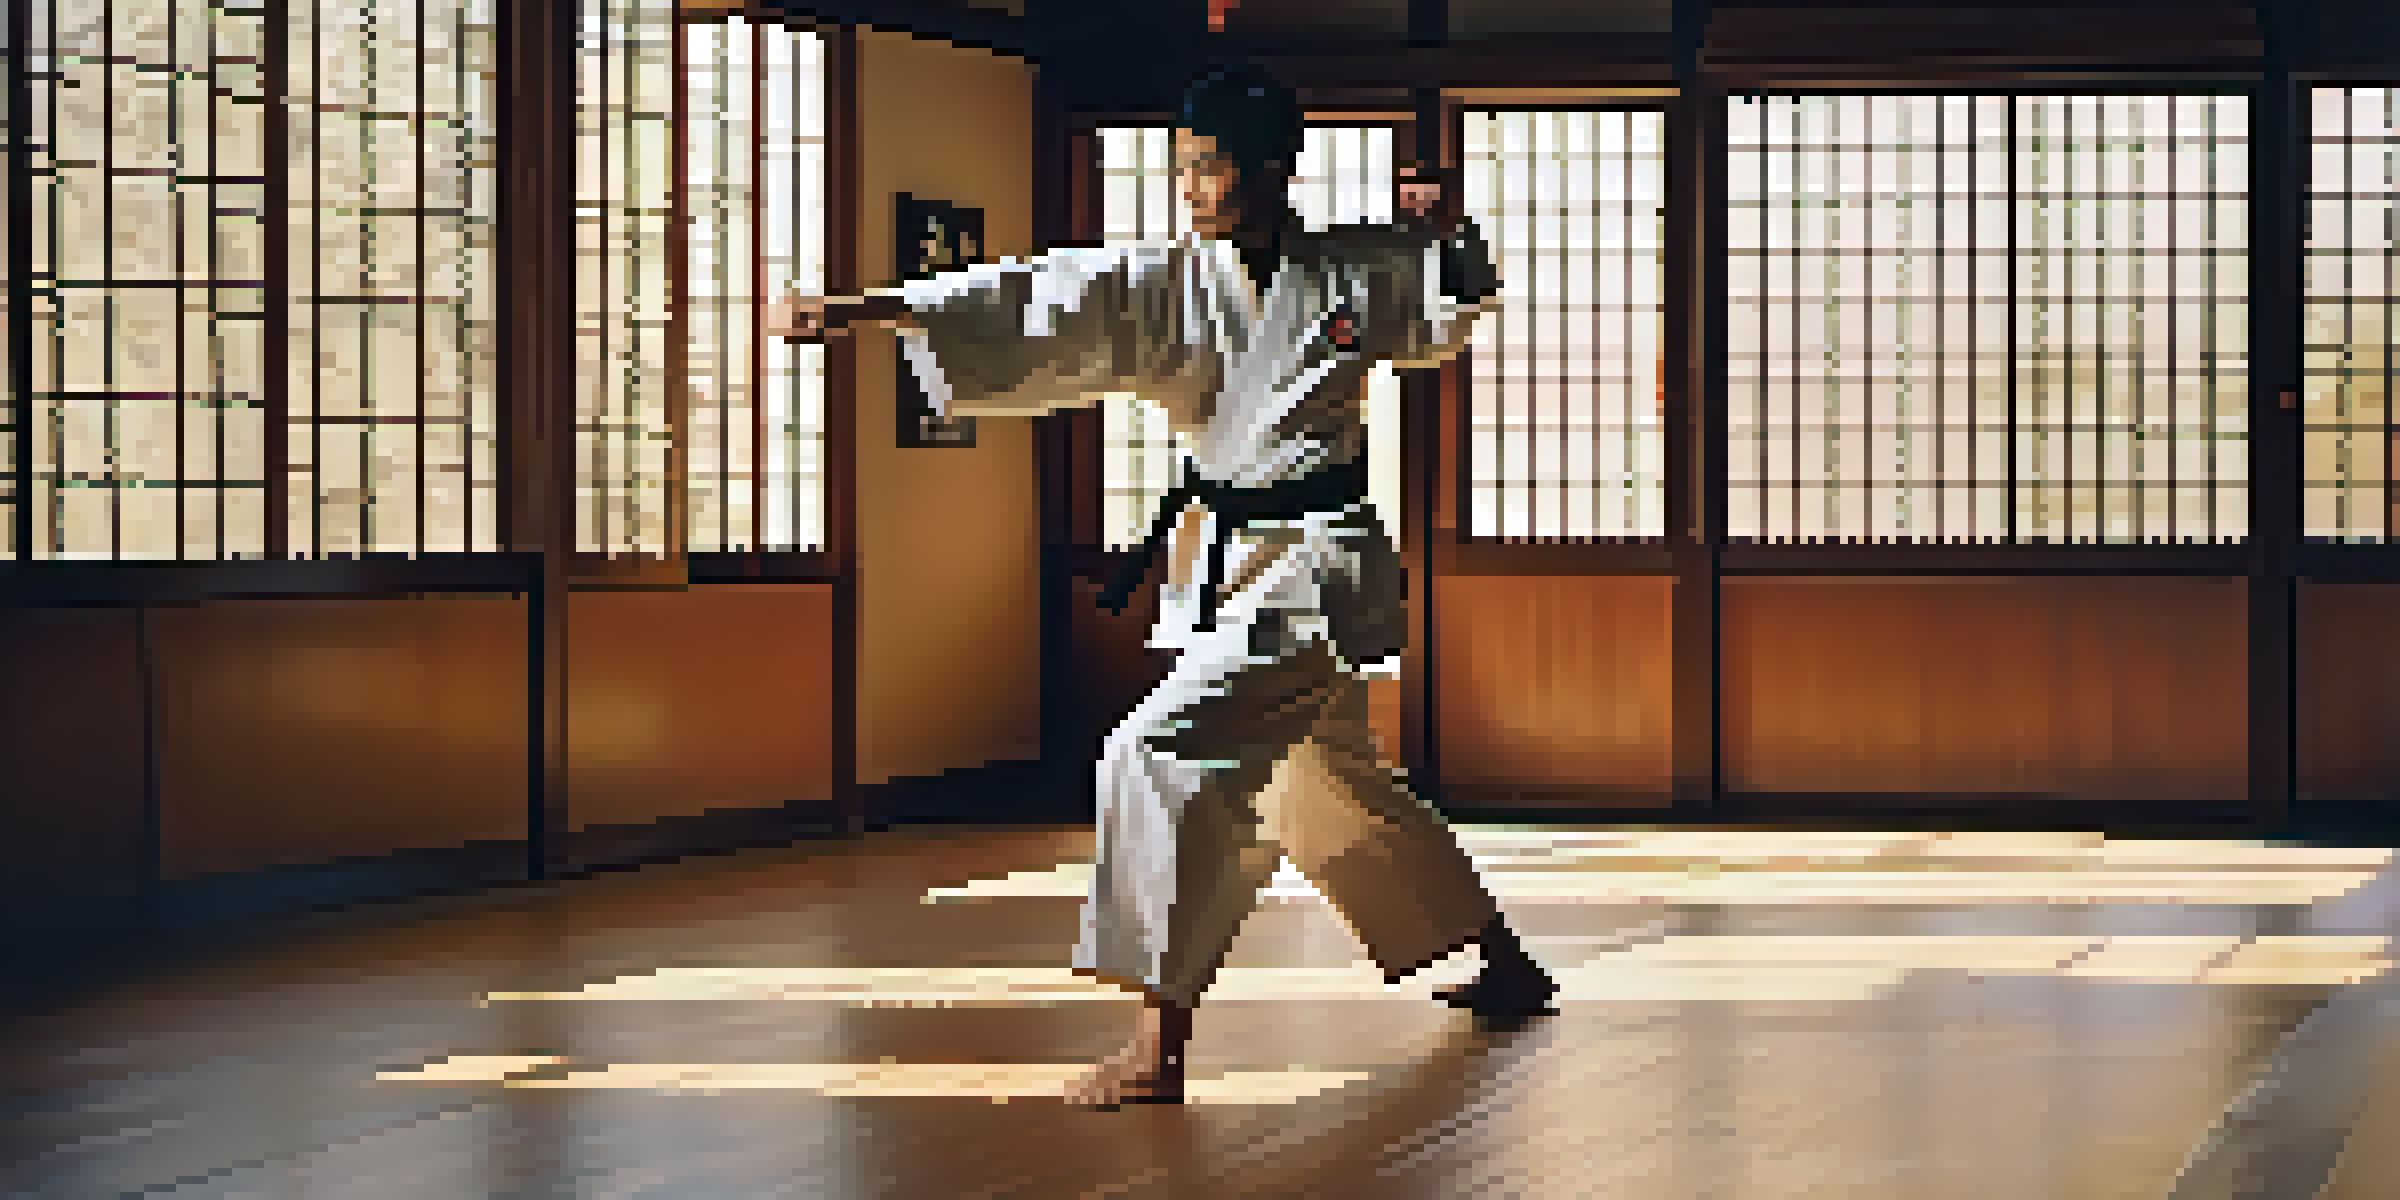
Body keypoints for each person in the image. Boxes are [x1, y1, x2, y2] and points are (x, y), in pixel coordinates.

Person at [768, 60, 1555, 1107]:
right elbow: (1034, 294)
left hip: (1315, 568)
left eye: (1211, 167)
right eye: (1181, 166)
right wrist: (864, 310)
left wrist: (1447, 231)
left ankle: (1157, 1042)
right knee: (1332, 787)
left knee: (1156, 751)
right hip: (1229, 565)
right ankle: (1505, 964)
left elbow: (1452, 306)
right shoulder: (1162, 283)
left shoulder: (1349, 271)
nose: (1190, 186)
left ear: (1270, 170)